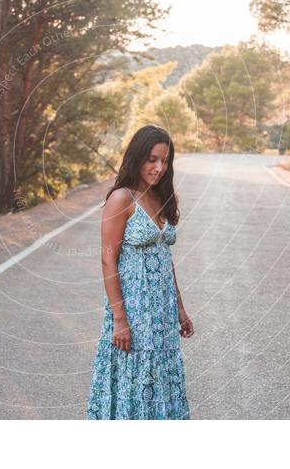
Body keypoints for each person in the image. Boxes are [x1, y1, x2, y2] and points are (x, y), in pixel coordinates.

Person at [86, 125, 194, 420]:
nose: (159, 168)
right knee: (135, 382)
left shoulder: (161, 198)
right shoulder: (122, 198)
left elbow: (165, 258)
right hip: (133, 312)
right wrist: (120, 320)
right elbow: (108, 261)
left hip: (162, 314)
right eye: (152, 159)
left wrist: (180, 309)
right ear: (137, 157)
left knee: (161, 382)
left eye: (165, 161)